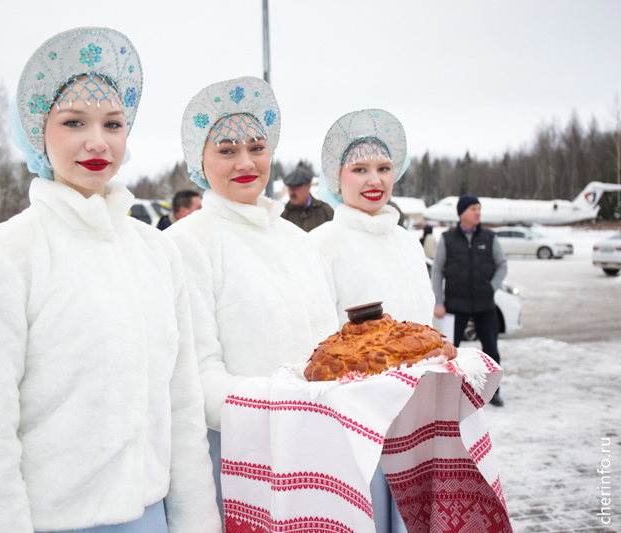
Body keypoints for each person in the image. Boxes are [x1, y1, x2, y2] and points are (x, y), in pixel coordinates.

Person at [0, 27, 220, 533]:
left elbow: (181, 408)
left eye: (113, 123)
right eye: (74, 122)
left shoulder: (157, 252)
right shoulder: (1, 259)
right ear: (36, 133)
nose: (98, 141)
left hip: (153, 516)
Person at [165, 76, 338, 522]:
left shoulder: (296, 240)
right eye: (226, 150)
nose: (245, 161)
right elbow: (195, 379)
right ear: (198, 161)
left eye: (257, 147)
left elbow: (328, 347)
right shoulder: (187, 243)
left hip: (316, 448)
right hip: (238, 460)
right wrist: (285, 405)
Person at [310, 109, 428, 533]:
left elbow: (424, 325)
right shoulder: (322, 244)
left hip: (415, 414)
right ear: (335, 177)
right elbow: (318, 342)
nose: (374, 180)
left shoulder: (407, 242)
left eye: (383, 168)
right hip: (356, 422)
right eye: (359, 169)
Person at [431, 195, 507, 407]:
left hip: (485, 306)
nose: (478, 212)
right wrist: (439, 301)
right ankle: (447, 395)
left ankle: (493, 392)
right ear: (462, 212)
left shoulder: (490, 238)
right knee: (450, 352)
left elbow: (502, 265)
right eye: (474, 208)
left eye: (479, 208)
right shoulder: (447, 239)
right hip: (456, 307)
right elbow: (437, 271)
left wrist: (490, 288)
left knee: (491, 350)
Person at [280, 165, 333, 231]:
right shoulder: (283, 215)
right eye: (289, 188)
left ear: (308, 186)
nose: (291, 192)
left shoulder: (325, 211)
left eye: (295, 187)